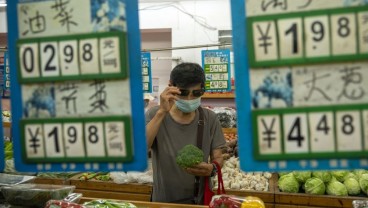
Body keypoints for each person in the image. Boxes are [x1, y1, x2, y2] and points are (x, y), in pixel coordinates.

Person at [145, 62, 226, 204]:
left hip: (198, 201)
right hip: (163, 202)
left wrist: (212, 169)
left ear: (202, 89)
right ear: (171, 86)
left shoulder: (210, 118)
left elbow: (218, 157)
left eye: (196, 93)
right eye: (183, 93)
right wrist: (162, 112)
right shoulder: (154, 114)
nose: (189, 99)